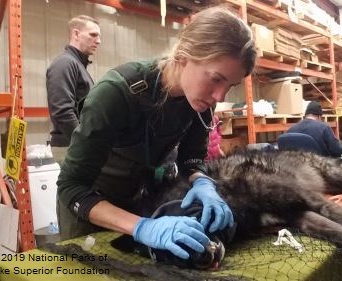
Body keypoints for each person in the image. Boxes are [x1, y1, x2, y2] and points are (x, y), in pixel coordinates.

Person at [56, 6, 256, 261]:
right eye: (216, 79)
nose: (220, 96)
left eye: (231, 85)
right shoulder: (116, 94)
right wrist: (142, 227)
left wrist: (203, 183)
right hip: (89, 209)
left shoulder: (199, 100)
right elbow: (72, 187)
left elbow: (190, 161)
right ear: (184, 55)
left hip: (138, 202)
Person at [47, 15, 101, 165]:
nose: (98, 41)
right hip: (70, 147)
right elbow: (62, 111)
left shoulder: (77, 65)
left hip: (76, 145)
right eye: (93, 35)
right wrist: (83, 144)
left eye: (99, 36)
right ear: (76, 34)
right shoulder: (65, 63)